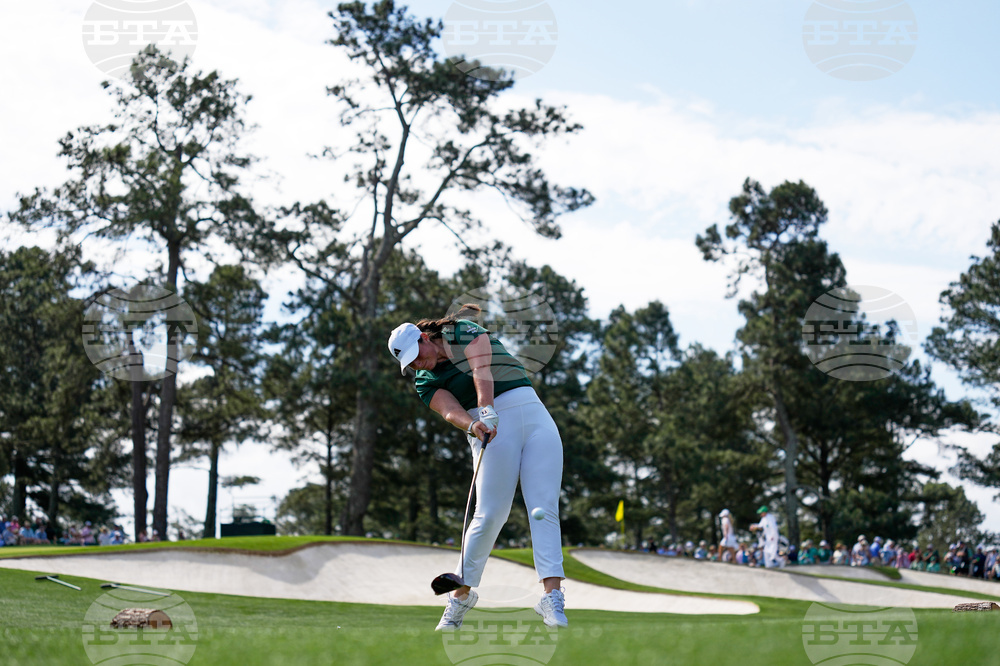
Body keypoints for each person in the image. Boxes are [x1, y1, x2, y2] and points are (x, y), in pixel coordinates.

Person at [387, 304, 567, 631]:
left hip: (532, 413)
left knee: (543, 508)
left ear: (426, 337)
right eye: (409, 363)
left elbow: (481, 366)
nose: (416, 363)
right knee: (489, 514)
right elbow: (448, 410)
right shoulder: (425, 381)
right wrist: (473, 425)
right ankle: (459, 599)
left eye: (417, 353)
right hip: (491, 431)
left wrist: (486, 407)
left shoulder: (461, 330)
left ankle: (551, 597)